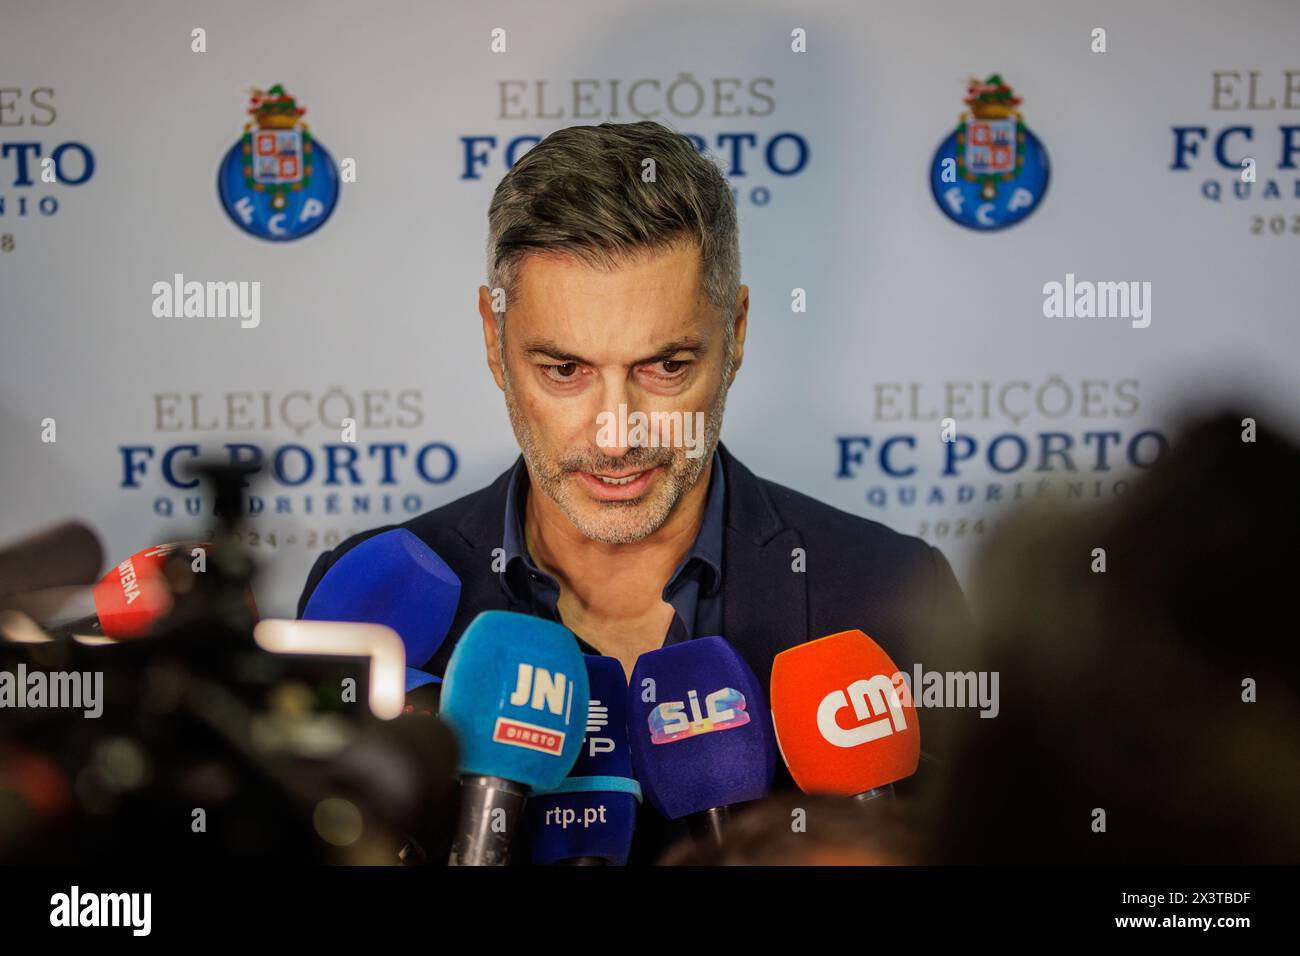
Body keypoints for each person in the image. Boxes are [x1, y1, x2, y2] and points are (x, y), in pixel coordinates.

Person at [297, 120, 968, 861]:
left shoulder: (894, 592)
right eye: (564, 371)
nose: (616, 435)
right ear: (493, 341)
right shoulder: (368, 609)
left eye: (666, 367)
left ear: (736, 333)